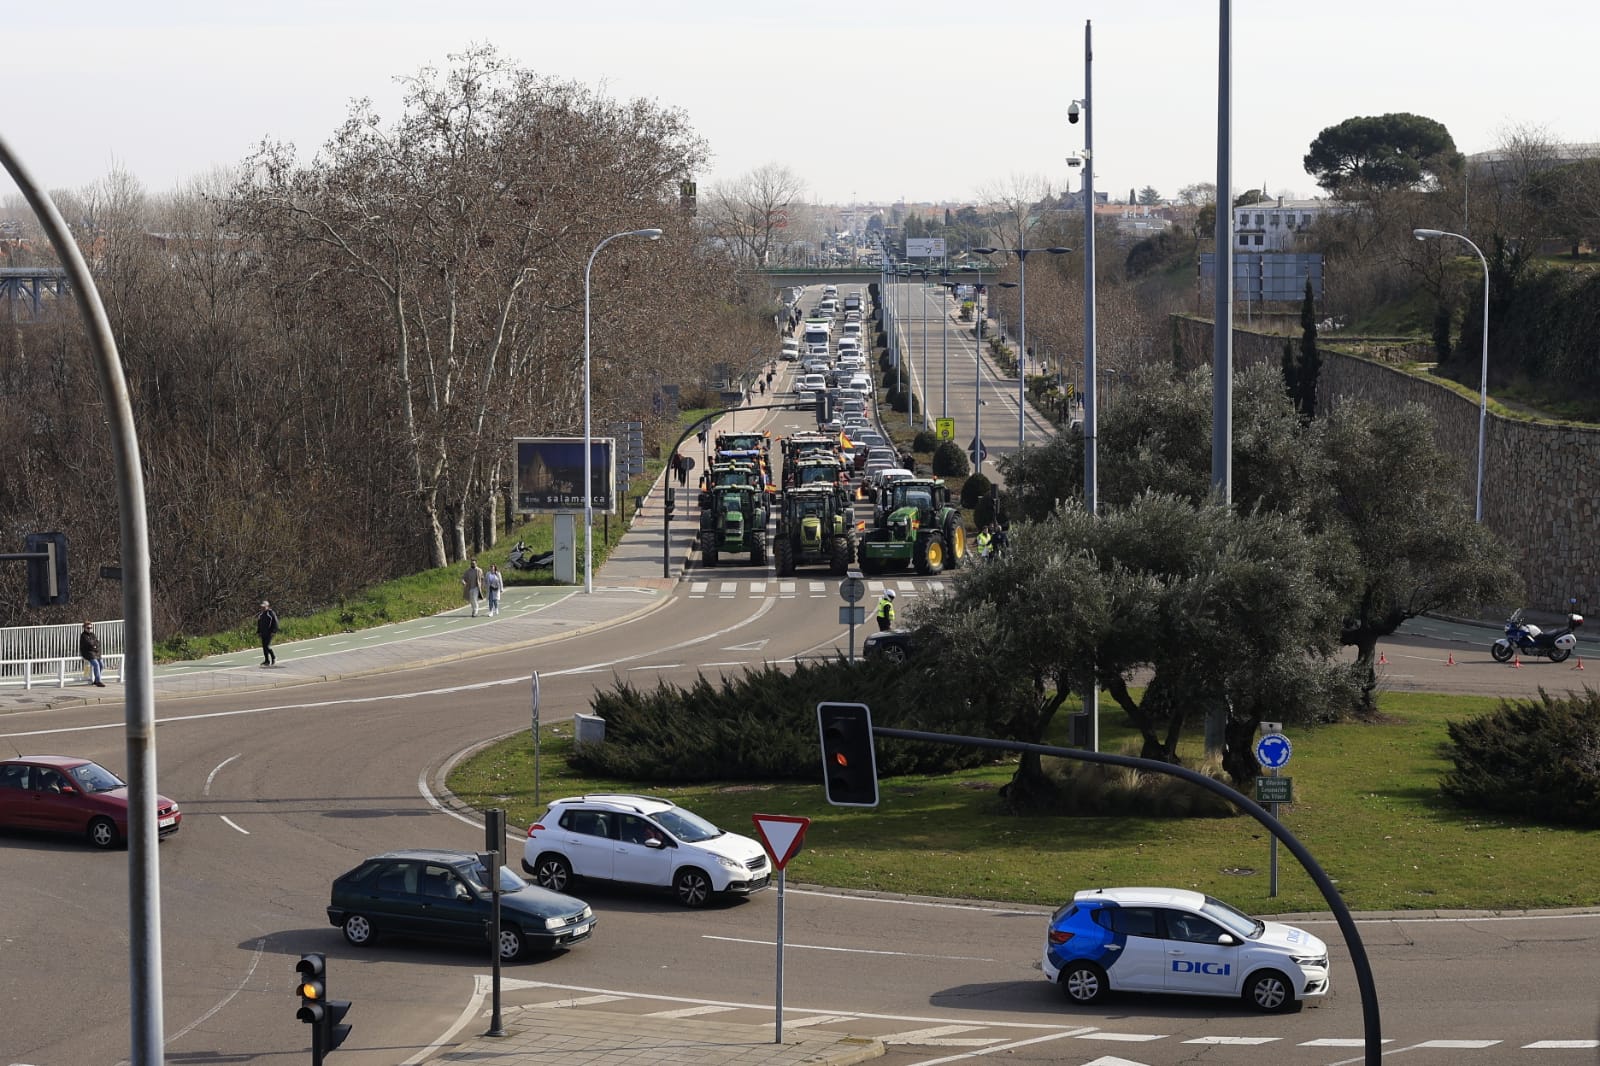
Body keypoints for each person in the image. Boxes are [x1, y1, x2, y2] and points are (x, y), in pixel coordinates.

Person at [79, 620, 105, 687]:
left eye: (90, 628)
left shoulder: (92, 635)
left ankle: (96, 680)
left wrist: (95, 645)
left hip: (96, 653)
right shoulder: (83, 636)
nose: (89, 629)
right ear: (84, 628)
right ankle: (98, 681)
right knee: (96, 664)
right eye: (88, 628)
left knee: (101, 665)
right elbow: (89, 644)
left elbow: (97, 643)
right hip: (88, 653)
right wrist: (94, 645)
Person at [256, 601, 279, 667]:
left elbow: (275, 622)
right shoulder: (261, 615)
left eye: (264, 607)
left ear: (267, 606)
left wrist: (274, 631)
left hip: (269, 633)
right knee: (264, 647)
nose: (262, 608)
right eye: (261, 607)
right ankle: (267, 661)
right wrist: (258, 632)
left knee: (267, 646)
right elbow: (259, 624)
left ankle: (273, 657)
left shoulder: (271, 613)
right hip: (263, 633)